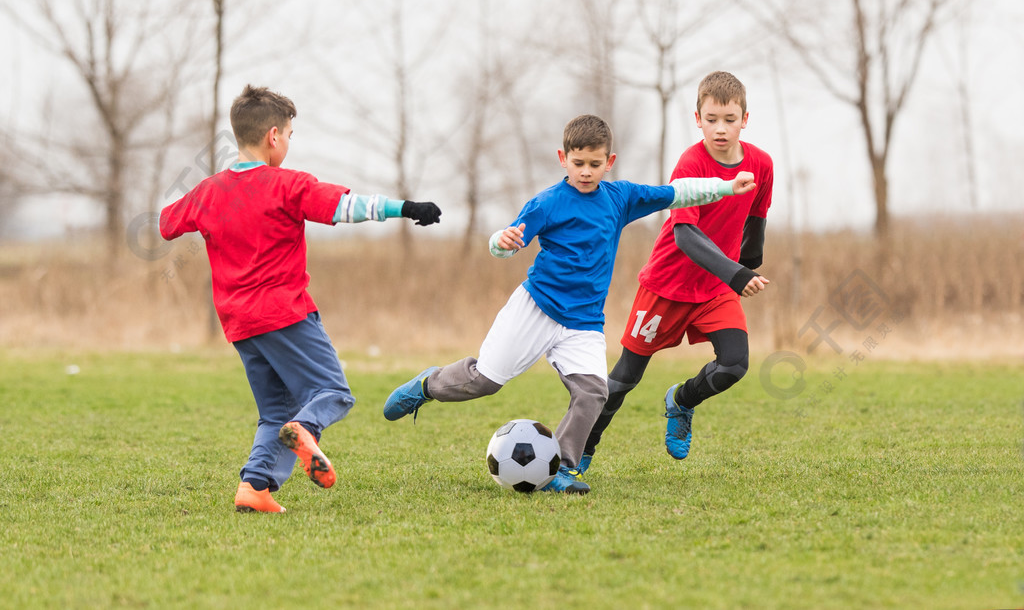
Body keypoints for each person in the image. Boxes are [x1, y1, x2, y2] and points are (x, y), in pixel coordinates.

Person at [382, 114, 755, 494]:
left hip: (584, 322)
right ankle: (428, 385)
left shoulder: (621, 197)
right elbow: (506, 243)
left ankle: (561, 468)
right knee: (485, 381)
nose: (586, 172)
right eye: (578, 164)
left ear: (609, 162)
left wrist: (727, 187)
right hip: (536, 308)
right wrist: (501, 242)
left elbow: (677, 192)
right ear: (563, 158)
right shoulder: (548, 203)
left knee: (594, 392)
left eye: (595, 165)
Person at [159, 85, 441, 513]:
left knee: (274, 411)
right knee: (332, 391)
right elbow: (346, 207)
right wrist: (405, 208)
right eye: (289, 134)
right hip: (284, 314)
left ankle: (255, 487)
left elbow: (166, 223)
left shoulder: (209, 192)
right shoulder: (287, 185)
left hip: (238, 323)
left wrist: (202, 199)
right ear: (273, 136)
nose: (289, 142)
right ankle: (304, 428)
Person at [579, 71, 774, 472]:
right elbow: (686, 235)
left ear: (745, 119)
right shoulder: (691, 162)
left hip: (716, 289)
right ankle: (579, 453)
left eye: (730, 119)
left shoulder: (761, 164)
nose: (721, 128)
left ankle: (682, 400)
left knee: (735, 365)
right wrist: (737, 273)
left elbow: (756, 219)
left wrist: (749, 264)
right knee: (623, 381)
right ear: (697, 118)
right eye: (712, 119)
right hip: (666, 286)